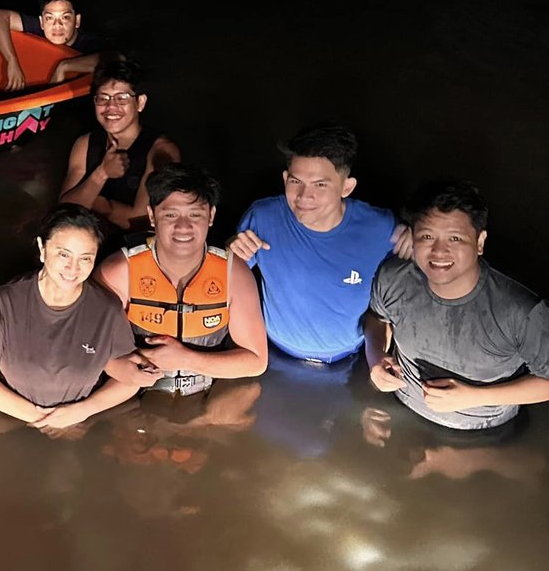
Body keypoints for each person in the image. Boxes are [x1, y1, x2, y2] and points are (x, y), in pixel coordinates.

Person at [365, 179, 549, 431]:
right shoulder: (394, 276)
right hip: (401, 414)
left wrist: (474, 396)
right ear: (413, 238)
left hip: (482, 428)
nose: (439, 250)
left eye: (455, 238)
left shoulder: (521, 309)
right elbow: (376, 318)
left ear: (480, 242)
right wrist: (375, 357)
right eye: (427, 236)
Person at [229, 123, 409, 365]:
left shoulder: (381, 227)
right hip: (273, 352)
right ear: (284, 179)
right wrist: (231, 250)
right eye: (295, 182)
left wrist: (418, 239)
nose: (304, 196)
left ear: (347, 187)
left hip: (352, 356)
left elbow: (409, 281)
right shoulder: (262, 217)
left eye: (320, 185)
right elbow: (228, 276)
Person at [0, 205, 143, 432]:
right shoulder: (4, 301)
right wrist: (43, 419)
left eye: (85, 258)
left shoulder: (106, 308)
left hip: (80, 423)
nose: (73, 268)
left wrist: (81, 412)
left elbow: (128, 381)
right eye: (63, 254)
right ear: (42, 248)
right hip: (12, 417)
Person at [97, 165, 268, 395]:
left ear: (211, 216)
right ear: (151, 216)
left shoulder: (232, 272)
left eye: (195, 214)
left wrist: (187, 359)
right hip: (134, 394)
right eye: (170, 214)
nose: (183, 226)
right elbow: (84, 342)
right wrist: (114, 365)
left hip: (210, 394)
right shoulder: (118, 271)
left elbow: (256, 361)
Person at [58, 54, 180, 233]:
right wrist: (101, 173)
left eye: (122, 98)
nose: (111, 107)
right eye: (103, 98)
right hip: (87, 241)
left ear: (140, 102)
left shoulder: (161, 151)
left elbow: (142, 222)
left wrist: (95, 202)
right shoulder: (84, 144)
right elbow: (61, 212)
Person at [0, 0, 101, 91]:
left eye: (65, 18)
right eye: (49, 18)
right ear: (41, 22)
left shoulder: (88, 42)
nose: (57, 25)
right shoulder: (41, 29)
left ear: (77, 21)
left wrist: (64, 66)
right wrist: (11, 60)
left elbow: (114, 58)